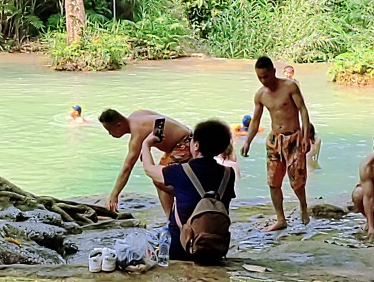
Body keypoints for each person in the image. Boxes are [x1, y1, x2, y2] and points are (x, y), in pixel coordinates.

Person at [240, 55, 316, 230]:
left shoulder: (290, 86)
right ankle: (281, 219)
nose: (263, 80)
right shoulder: (260, 95)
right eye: (259, 77)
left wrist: (305, 136)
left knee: (297, 181)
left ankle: (303, 205)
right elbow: (255, 121)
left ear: (273, 71)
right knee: (273, 182)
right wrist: (247, 142)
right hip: (274, 139)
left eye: (266, 76)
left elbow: (303, 111)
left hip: (294, 138)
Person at [99, 108, 195, 215]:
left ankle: (183, 203)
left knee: (160, 179)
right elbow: (159, 124)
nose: (109, 134)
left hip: (184, 145)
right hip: (189, 138)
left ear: (119, 125)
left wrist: (114, 194)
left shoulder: (136, 135)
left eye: (109, 130)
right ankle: (170, 216)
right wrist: (146, 149)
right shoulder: (137, 115)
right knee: (160, 176)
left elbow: (127, 167)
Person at [166, 118, 236, 265]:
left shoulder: (180, 171)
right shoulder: (229, 174)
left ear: (196, 145)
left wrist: (146, 145)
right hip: (215, 250)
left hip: (181, 250)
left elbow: (149, 169)